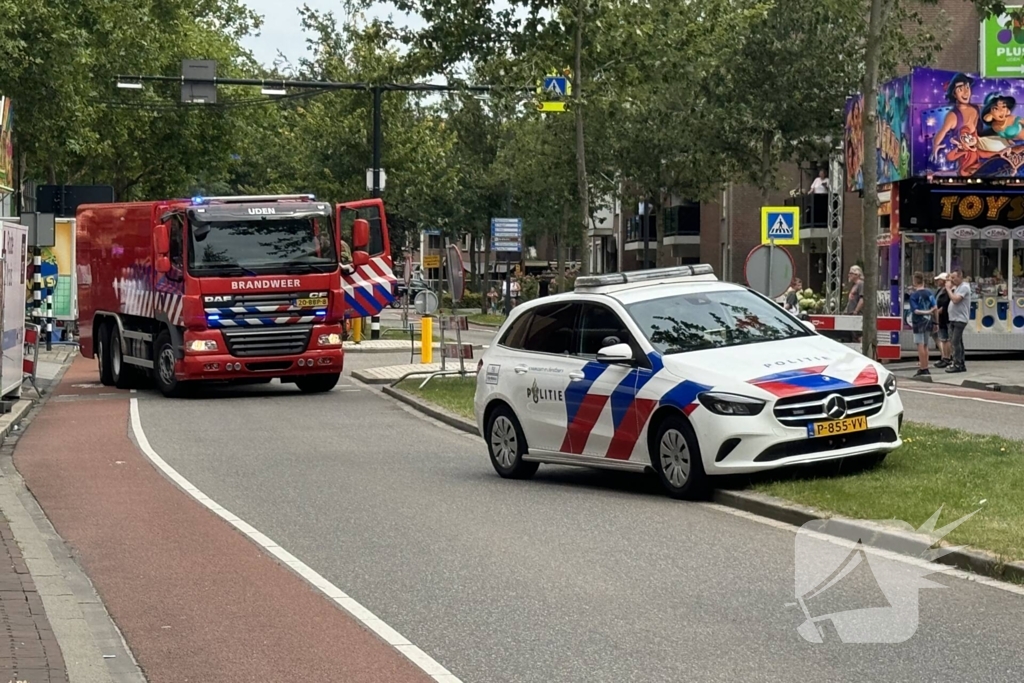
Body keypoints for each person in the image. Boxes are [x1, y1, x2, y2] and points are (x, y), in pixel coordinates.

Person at [909, 272, 937, 377]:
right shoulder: (930, 293)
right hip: (929, 321)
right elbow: (935, 308)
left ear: (915, 281)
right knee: (925, 344)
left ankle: (923, 367)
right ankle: (926, 366)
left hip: (918, 321)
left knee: (920, 344)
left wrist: (926, 312)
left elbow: (915, 310)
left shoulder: (914, 295)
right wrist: (936, 321)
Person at [945, 268, 971, 373]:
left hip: (960, 319)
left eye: (954, 277)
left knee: (955, 341)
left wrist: (948, 289)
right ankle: (960, 362)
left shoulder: (964, 287)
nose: (952, 280)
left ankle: (957, 363)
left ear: (960, 277)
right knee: (957, 341)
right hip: (954, 318)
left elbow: (955, 300)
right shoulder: (958, 287)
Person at [932, 272, 953, 368]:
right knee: (942, 338)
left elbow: (946, 304)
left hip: (945, 317)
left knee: (946, 338)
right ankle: (944, 356)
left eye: (939, 280)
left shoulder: (948, 292)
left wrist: (939, 310)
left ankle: (947, 358)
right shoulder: (940, 290)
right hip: (939, 317)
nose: (937, 281)